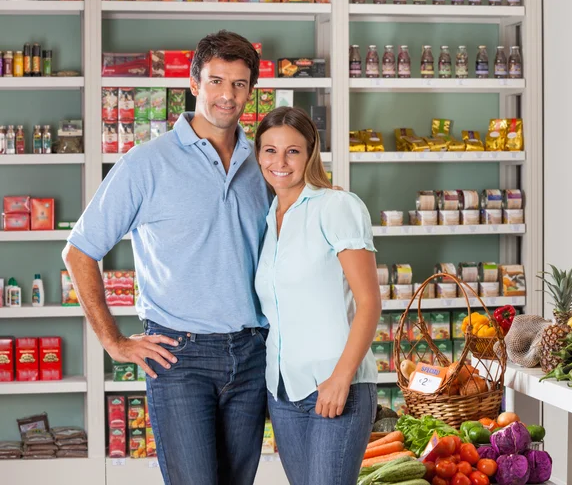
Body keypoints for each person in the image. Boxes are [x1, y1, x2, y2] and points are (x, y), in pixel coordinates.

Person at [62, 31, 271, 485]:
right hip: (179, 358)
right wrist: (114, 342)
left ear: (251, 91)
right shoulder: (146, 163)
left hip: (254, 352)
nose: (227, 95)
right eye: (217, 81)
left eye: (239, 84)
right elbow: (79, 250)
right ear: (194, 83)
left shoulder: (264, 164)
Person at [254, 107, 381, 485]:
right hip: (283, 391)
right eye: (269, 150)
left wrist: (341, 378)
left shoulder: (336, 206)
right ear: (257, 154)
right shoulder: (268, 217)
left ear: (310, 153)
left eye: (292, 151)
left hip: (337, 385)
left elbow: (370, 303)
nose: (280, 161)